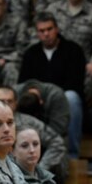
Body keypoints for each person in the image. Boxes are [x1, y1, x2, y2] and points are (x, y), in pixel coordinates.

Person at [20, 13, 85, 158]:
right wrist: (36, 94)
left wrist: (51, 97)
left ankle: (72, 155)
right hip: (37, 100)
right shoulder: (31, 53)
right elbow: (24, 83)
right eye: (42, 31)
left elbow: (75, 83)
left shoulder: (73, 50)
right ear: (37, 33)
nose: (46, 34)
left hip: (63, 98)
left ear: (57, 29)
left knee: (72, 97)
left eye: (49, 29)